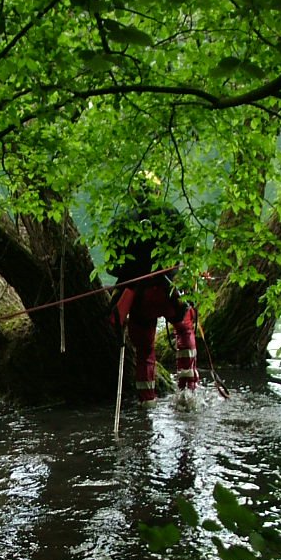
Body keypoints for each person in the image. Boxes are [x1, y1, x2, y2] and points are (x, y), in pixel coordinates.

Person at [106, 173, 200, 403]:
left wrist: (133, 273)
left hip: (137, 296)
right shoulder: (169, 213)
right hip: (169, 290)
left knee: (144, 349)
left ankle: (147, 399)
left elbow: (111, 267)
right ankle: (188, 391)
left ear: (134, 194)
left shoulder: (121, 221)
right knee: (185, 328)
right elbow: (190, 251)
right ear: (157, 191)